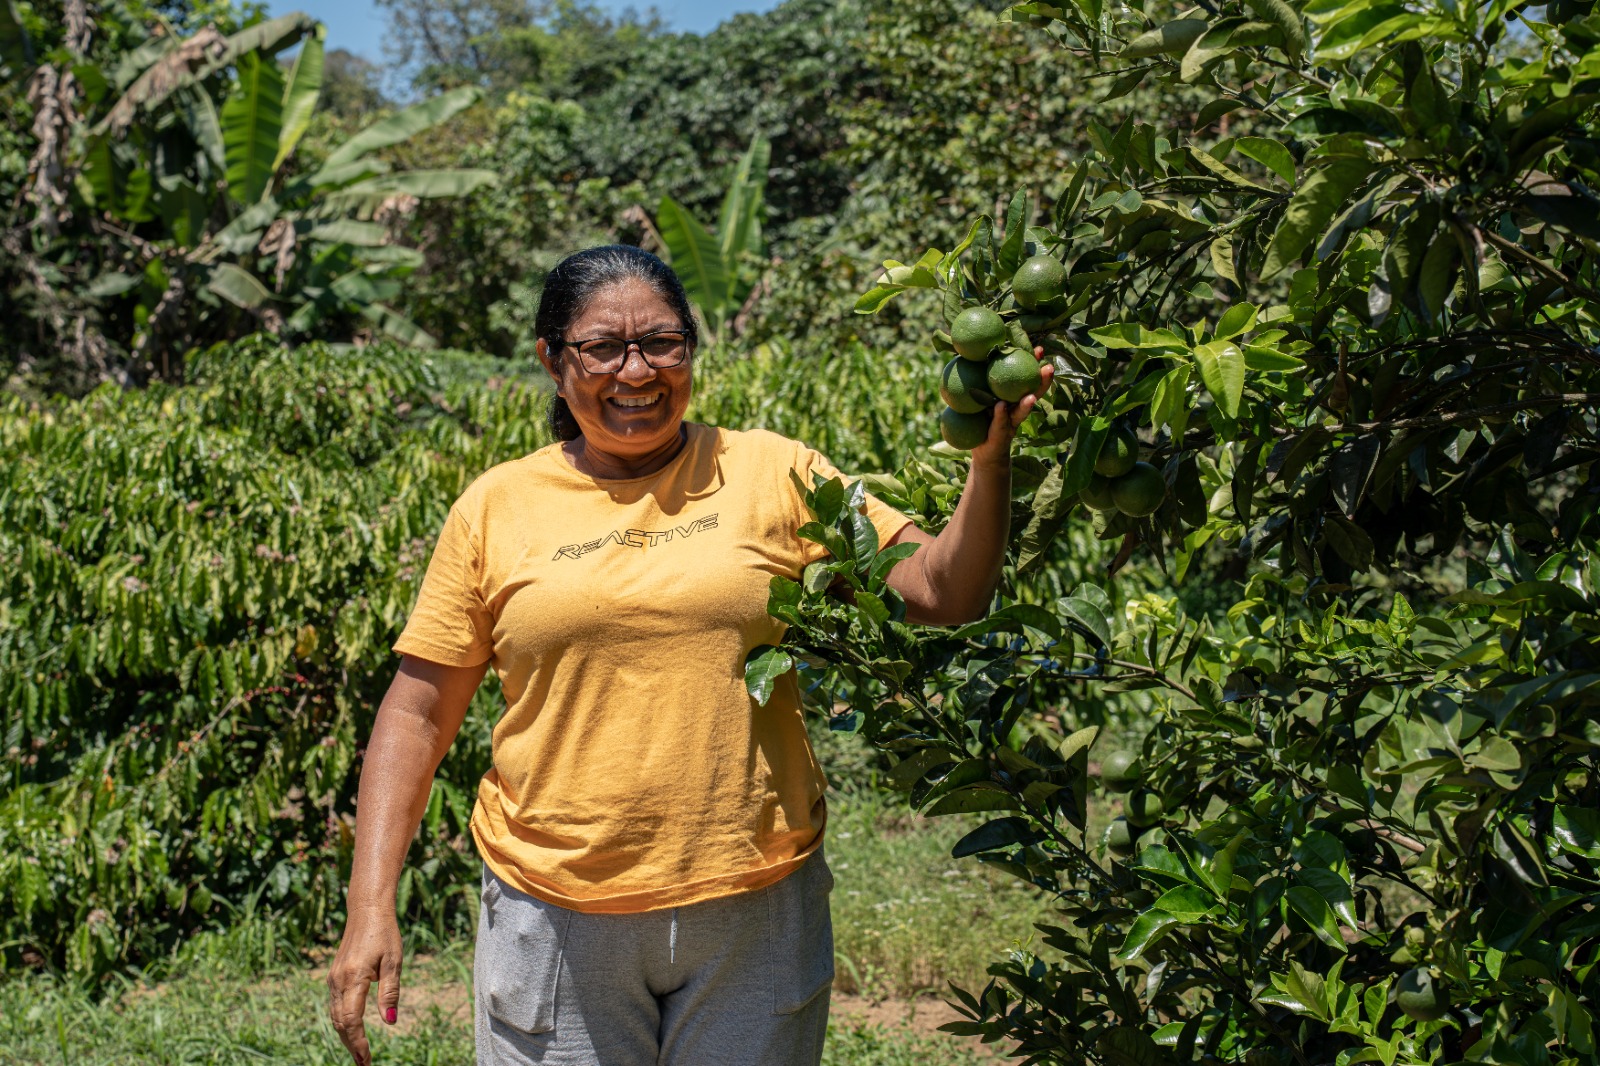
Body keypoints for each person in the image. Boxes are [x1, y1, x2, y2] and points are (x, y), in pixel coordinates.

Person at [326, 245, 1052, 1066]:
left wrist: (989, 463)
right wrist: (369, 904)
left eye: (662, 343)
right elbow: (418, 712)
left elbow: (942, 591)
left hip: (754, 905)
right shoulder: (496, 506)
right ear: (551, 361)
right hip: (557, 911)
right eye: (602, 347)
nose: (636, 370)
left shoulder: (777, 474)